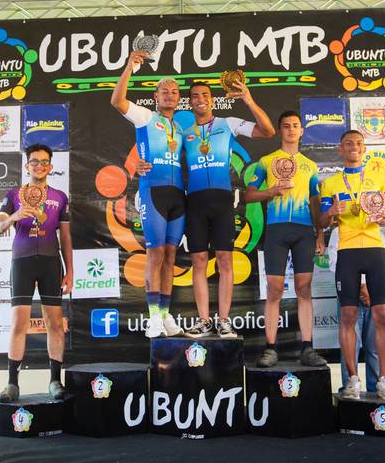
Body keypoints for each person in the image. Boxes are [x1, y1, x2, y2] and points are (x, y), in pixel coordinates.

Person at [183, 81, 276, 338]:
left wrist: (247, 98)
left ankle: (224, 321)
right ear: (190, 102)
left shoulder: (229, 123)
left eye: (205, 95)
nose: (200, 99)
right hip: (195, 202)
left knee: (225, 259)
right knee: (199, 261)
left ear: (212, 100)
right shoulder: (183, 132)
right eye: (194, 96)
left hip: (222, 200)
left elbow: (268, 131)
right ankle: (203, 321)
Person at [319, 130, 385, 400]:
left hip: (375, 249)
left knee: (382, 316)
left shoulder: (379, 178)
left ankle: (384, 381)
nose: (354, 147)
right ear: (340, 149)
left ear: (364, 149)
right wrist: (330, 212)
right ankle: (352, 380)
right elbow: (322, 221)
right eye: (348, 143)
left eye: (358, 143)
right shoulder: (330, 183)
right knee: (348, 317)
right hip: (347, 250)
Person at [110, 50, 185, 338]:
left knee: (170, 255)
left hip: (178, 196)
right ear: (155, 97)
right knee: (155, 254)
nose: (170, 95)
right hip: (153, 192)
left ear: (179, 98)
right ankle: (153, 317)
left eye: (174, 92)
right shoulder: (145, 117)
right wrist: (129, 66)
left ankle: (165, 315)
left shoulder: (181, 127)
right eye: (164, 91)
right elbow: (117, 101)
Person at [244, 110, 326, 366]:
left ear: (302, 131)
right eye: (286, 126)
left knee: (304, 288)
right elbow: (249, 195)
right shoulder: (266, 161)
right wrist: (270, 192)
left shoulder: (310, 166)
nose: (291, 129)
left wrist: (320, 234)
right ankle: (270, 348)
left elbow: (315, 202)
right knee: (274, 290)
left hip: (303, 231)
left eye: (295, 126)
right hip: (276, 230)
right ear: (280, 131)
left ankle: (307, 348)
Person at [0, 144, 73, 402]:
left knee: (55, 324)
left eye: (44, 162)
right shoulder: (13, 195)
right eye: (34, 162)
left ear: (51, 166)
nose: (39, 166)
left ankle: (55, 381)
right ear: (27, 166)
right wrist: (15, 216)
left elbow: (66, 237)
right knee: (19, 323)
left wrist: (70, 270)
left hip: (50, 262)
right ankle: (12, 384)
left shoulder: (60, 197)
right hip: (22, 262)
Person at [328, 225, 381, 393]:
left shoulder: (376, 231)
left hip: (375, 295)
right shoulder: (338, 232)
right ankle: (350, 387)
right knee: (350, 347)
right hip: (349, 295)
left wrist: (371, 288)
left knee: (375, 347)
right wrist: (362, 287)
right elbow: (335, 264)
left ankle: (376, 389)